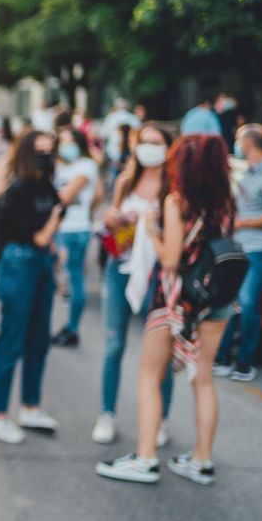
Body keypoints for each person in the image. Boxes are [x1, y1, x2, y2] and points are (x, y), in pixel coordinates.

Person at [97, 135, 234, 485]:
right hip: (215, 299)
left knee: (149, 376)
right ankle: (201, 460)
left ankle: (145, 458)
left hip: (176, 300)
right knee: (203, 379)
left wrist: (150, 231)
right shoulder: (226, 202)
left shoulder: (177, 201)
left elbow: (171, 259)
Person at [94, 123, 175, 445]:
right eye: (143, 142)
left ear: (169, 148)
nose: (148, 148)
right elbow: (110, 216)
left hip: (158, 274)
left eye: (156, 143)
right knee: (114, 345)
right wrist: (113, 219)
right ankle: (107, 414)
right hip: (120, 267)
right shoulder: (126, 180)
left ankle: (161, 419)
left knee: (159, 353)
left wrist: (152, 226)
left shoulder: (173, 187)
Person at [0, 130, 63, 443]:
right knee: (12, 339)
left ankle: (30, 407)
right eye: (40, 150)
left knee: (39, 339)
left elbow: (53, 220)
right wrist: (55, 222)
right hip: (19, 264)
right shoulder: (18, 189)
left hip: (41, 264)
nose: (46, 155)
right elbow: (41, 235)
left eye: (50, 149)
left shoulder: (45, 185)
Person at [213, 125, 262, 382]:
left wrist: (242, 224)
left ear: (247, 144)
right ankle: (222, 358)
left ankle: (245, 362)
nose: (236, 145)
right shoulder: (247, 174)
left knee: (246, 302)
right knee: (229, 302)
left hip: (261, 248)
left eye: (237, 140)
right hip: (239, 246)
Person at [51, 127, 100, 347]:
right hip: (62, 227)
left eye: (70, 140)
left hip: (75, 229)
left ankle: (72, 328)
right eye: (62, 141)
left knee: (74, 278)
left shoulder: (85, 166)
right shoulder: (61, 165)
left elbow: (67, 196)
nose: (66, 145)